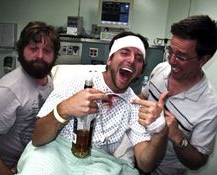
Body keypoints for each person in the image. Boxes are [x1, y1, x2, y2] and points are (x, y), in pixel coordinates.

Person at [16, 31, 168, 175]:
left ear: (141, 70)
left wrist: (160, 132)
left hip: (99, 163)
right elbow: (37, 138)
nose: (132, 60)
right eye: (124, 52)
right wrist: (64, 109)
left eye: (139, 58)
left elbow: (145, 164)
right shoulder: (75, 84)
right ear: (109, 59)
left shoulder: (134, 105)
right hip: (56, 152)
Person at [139, 15, 217, 175]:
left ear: (204, 59)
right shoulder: (160, 69)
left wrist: (178, 137)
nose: (172, 61)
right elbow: (142, 98)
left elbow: (198, 162)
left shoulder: (210, 107)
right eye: (170, 52)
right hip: (134, 152)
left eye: (181, 56)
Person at [0, 21, 60, 175]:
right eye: (33, 49)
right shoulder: (8, 91)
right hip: (5, 167)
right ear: (21, 50)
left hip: (30, 158)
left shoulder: (47, 78)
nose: (40, 56)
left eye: (47, 50)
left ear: (54, 55)